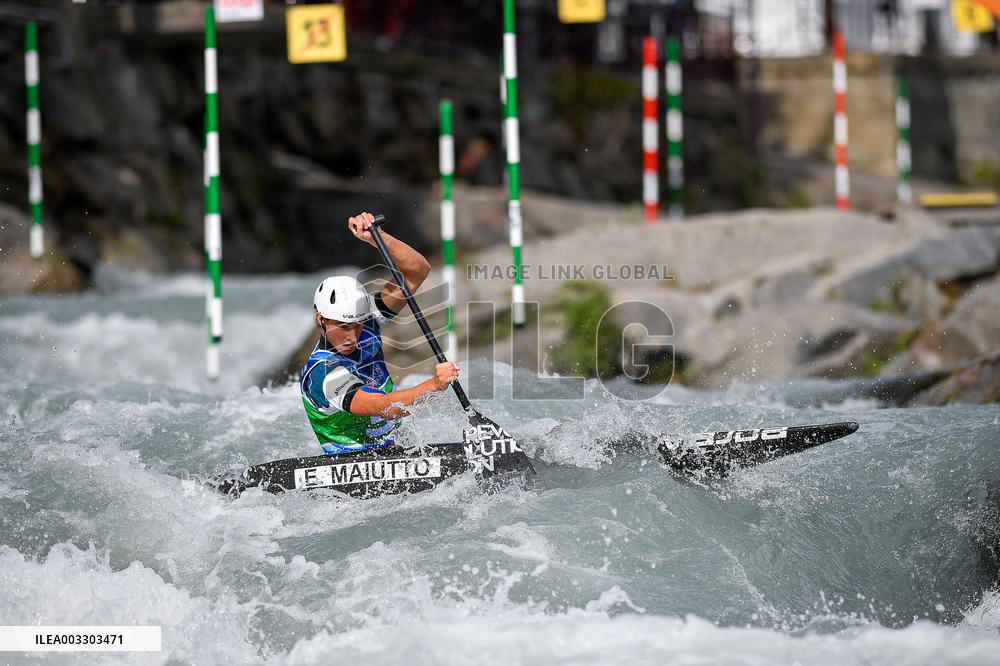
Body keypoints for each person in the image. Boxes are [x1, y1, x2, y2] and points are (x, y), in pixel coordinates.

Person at [300, 212, 461, 455]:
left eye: (358, 324)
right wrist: (434, 384)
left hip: (394, 450)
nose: (353, 336)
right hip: (353, 471)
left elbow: (417, 271)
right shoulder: (322, 373)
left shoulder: (367, 323)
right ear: (320, 320)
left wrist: (376, 237)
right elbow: (386, 407)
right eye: (343, 327)